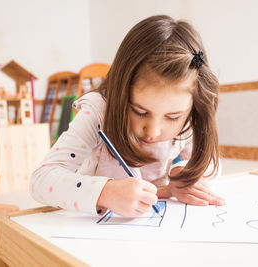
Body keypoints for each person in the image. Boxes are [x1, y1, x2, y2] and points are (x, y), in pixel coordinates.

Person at [30, 15, 224, 217]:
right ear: (120, 92)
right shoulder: (98, 112)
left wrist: (183, 174)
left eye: (173, 117)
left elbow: (210, 164)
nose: (153, 131)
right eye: (140, 111)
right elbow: (40, 180)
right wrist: (106, 192)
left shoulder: (188, 113)